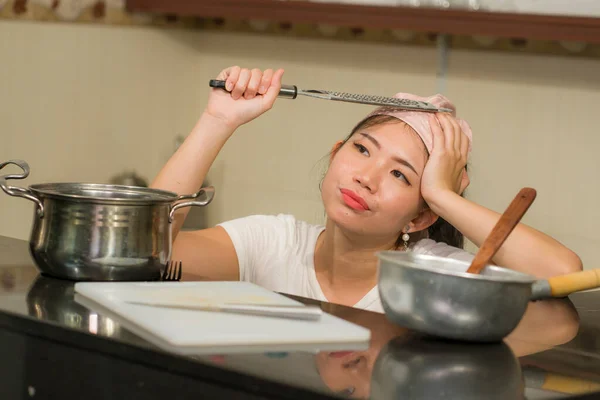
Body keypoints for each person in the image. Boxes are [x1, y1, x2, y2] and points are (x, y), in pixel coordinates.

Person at [151, 66, 583, 313]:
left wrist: (446, 197)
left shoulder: (436, 276)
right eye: (361, 149)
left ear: (422, 214)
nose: (366, 176)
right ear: (336, 153)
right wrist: (218, 121)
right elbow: (145, 250)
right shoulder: (270, 243)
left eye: (401, 175)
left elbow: (562, 275)